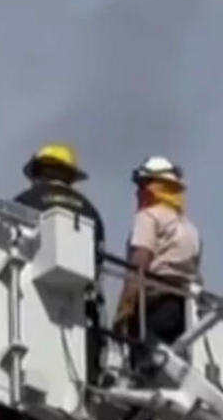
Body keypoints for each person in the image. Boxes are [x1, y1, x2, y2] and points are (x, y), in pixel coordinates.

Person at [13, 143, 106, 385]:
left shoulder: (24, 201)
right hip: (83, 310)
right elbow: (99, 264)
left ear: (37, 172)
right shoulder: (91, 212)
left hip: (28, 304)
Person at [113, 155, 203, 376]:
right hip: (184, 311)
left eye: (141, 186)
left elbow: (139, 262)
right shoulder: (191, 230)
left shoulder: (148, 217)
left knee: (144, 368)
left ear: (152, 186)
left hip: (153, 305)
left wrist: (124, 309)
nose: (137, 192)